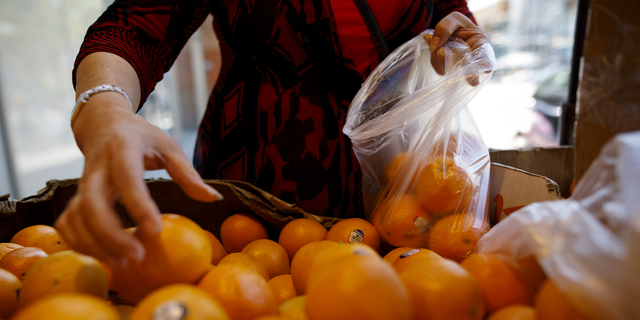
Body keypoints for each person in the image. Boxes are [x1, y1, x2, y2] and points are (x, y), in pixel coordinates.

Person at [54, 0, 490, 268]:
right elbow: (136, 27)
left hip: (402, 187)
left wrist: (460, 37)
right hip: (257, 188)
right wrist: (106, 109)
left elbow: (450, 14)